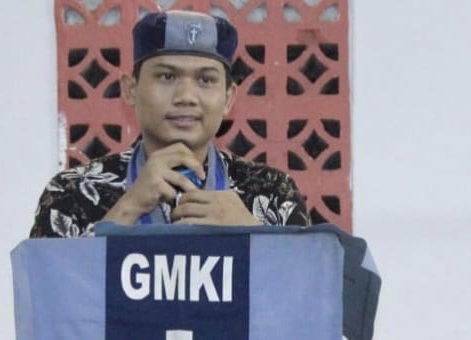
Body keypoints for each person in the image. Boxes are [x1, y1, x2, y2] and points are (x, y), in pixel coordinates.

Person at [29, 9, 310, 238]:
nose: (186, 96)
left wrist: (253, 234)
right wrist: (128, 209)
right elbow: (49, 287)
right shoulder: (72, 193)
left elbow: (308, 289)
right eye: (167, 76)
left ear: (228, 98)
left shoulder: (273, 193)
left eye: (206, 80)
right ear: (130, 89)